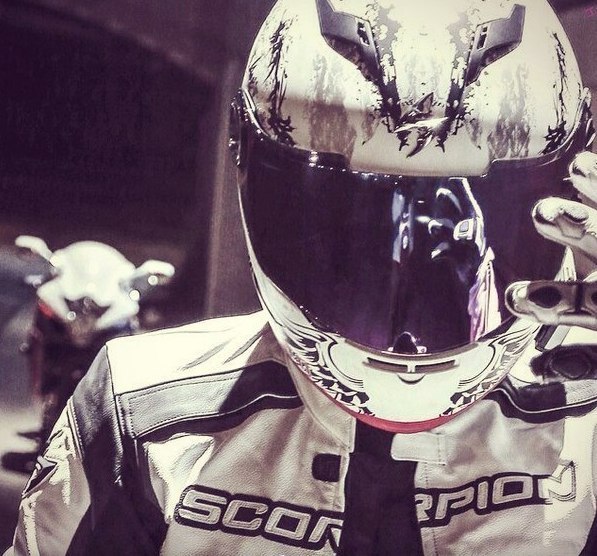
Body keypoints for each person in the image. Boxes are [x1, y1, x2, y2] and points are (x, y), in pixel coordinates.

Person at [7, 0, 597, 554]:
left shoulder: (589, 415)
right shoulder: (144, 408)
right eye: (359, 226)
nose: (408, 324)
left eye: (456, 238)